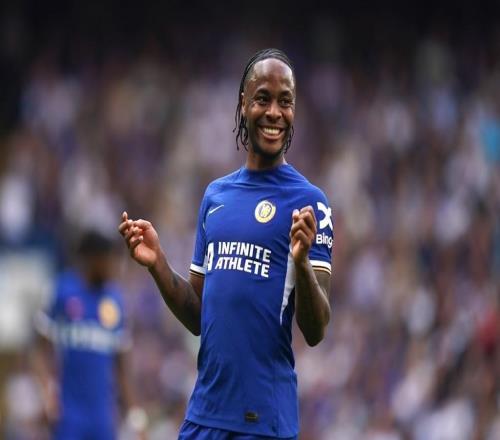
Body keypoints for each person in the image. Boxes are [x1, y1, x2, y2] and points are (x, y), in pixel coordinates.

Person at [119, 48, 333, 439]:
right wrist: (158, 263)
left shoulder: (309, 202)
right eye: (263, 98)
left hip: (263, 421)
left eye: (285, 101)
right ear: (243, 104)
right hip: (204, 414)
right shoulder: (216, 196)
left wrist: (302, 263)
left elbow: (316, 329)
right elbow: (198, 316)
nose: (274, 112)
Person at [33, 230, 147, 439]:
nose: (114, 267)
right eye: (110, 260)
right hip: (68, 413)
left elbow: (122, 366)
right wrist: (47, 391)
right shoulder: (62, 291)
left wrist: (135, 416)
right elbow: (39, 349)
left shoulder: (115, 301)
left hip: (102, 416)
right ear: (93, 259)